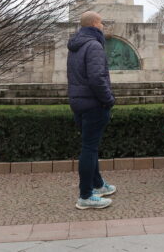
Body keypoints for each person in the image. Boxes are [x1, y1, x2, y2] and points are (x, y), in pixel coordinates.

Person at [67, 11, 116, 210]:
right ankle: (85, 195)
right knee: (89, 148)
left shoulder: (75, 46)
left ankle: (98, 184)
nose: (103, 26)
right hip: (93, 103)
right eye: (102, 22)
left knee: (90, 146)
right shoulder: (94, 45)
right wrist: (108, 99)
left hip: (79, 102)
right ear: (95, 24)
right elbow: (97, 78)